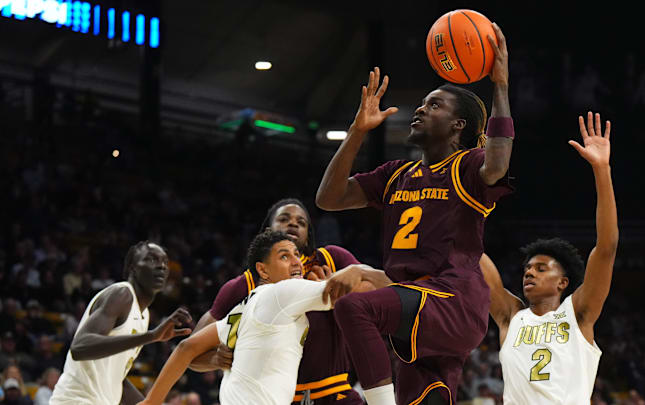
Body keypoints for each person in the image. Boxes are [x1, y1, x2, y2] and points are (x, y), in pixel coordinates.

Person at [316, 23, 514, 405]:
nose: (421, 109)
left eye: (434, 105)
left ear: (458, 126)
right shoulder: (395, 175)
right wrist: (357, 131)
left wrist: (501, 86)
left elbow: (498, 163)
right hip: (417, 311)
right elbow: (329, 198)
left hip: (452, 300)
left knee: (354, 307)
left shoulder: (468, 166)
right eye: (423, 103)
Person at [138, 230, 388, 405]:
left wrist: (152, 400)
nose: (297, 262)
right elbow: (370, 291)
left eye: (296, 255)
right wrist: (356, 270)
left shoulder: (243, 309)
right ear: (262, 270)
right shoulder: (284, 293)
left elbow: (186, 347)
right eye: (284, 256)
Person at [479, 112, 617, 404]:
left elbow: (606, 248)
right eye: (528, 268)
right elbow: (472, 255)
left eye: (541, 269)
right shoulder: (510, 316)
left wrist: (601, 169)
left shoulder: (577, 315)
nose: (529, 273)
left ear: (562, 282)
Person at [190, 198, 365, 404]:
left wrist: (341, 293)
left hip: (335, 393)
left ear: (308, 237)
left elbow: (375, 299)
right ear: (266, 232)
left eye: (301, 222)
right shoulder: (243, 285)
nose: (293, 224)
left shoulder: (332, 260)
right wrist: (214, 359)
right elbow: (191, 353)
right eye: (284, 219)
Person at [49, 241, 193, 405]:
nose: (161, 266)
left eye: (165, 262)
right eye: (151, 260)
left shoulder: (143, 315)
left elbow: (117, 377)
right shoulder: (122, 294)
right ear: (133, 267)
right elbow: (80, 347)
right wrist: (151, 336)